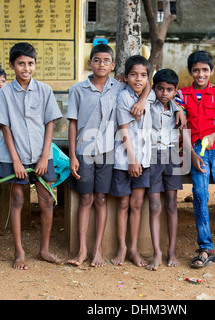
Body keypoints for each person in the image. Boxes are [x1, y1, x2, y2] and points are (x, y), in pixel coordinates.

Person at [65, 44, 148, 267]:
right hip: (84, 151)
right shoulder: (77, 90)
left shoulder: (119, 87)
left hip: (108, 152)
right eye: (97, 60)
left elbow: (146, 82)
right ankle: (82, 250)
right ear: (90, 63)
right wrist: (72, 155)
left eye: (106, 61)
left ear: (112, 65)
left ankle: (97, 250)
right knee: (86, 199)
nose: (101, 64)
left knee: (101, 199)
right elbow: (72, 124)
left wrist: (141, 101)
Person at [0, 42, 63, 270]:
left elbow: (49, 123)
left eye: (30, 63)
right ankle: (19, 251)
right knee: (18, 201)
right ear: (12, 65)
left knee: (47, 201)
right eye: (21, 64)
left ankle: (44, 250)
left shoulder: (44, 90)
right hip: (16, 156)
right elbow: (6, 128)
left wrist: (45, 156)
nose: (26, 68)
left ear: (35, 64)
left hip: (41, 155)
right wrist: (16, 161)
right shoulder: (5, 94)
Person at [176, 50, 215, 269]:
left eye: (205, 70)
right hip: (196, 151)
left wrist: (212, 136)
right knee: (200, 196)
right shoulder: (182, 95)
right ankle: (205, 247)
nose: (200, 74)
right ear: (191, 72)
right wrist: (192, 153)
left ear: (211, 71)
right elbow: (181, 126)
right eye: (196, 70)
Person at [110, 55, 155, 267]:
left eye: (143, 75)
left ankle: (134, 249)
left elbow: (150, 85)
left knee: (137, 204)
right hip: (125, 158)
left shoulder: (151, 95)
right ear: (125, 76)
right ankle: (122, 247)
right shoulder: (122, 98)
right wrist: (132, 160)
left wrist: (143, 98)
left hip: (144, 159)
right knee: (124, 204)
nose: (138, 79)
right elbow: (123, 129)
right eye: (133, 75)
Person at [146, 69, 186, 271]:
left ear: (175, 91)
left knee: (171, 203)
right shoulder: (147, 103)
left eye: (169, 90)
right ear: (154, 89)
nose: (164, 93)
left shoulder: (178, 107)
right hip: (152, 156)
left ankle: (171, 250)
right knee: (154, 205)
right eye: (160, 88)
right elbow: (142, 87)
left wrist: (178, 107)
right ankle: (157, 253)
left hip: (172, 156)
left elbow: (179, 104)